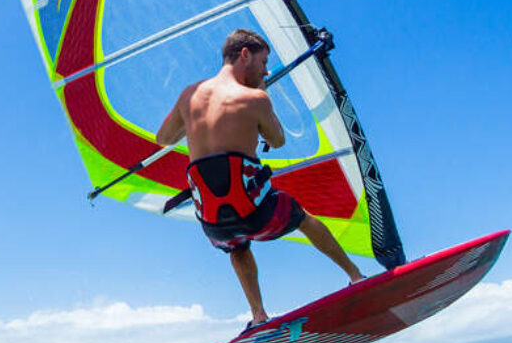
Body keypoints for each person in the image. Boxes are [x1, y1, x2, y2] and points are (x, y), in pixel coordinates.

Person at [155, 29, 362, 327]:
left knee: (237, 246)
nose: (265, 70)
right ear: (245, 55)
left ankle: (259, 315)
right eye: (264, 62)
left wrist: (194, 122)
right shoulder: (255, 98)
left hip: (213, 225)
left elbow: (164, 138)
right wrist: (262, 93)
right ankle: (355, 275)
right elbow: (277, 141)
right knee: (302, 217)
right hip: (256, 213)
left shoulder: (189, 95)